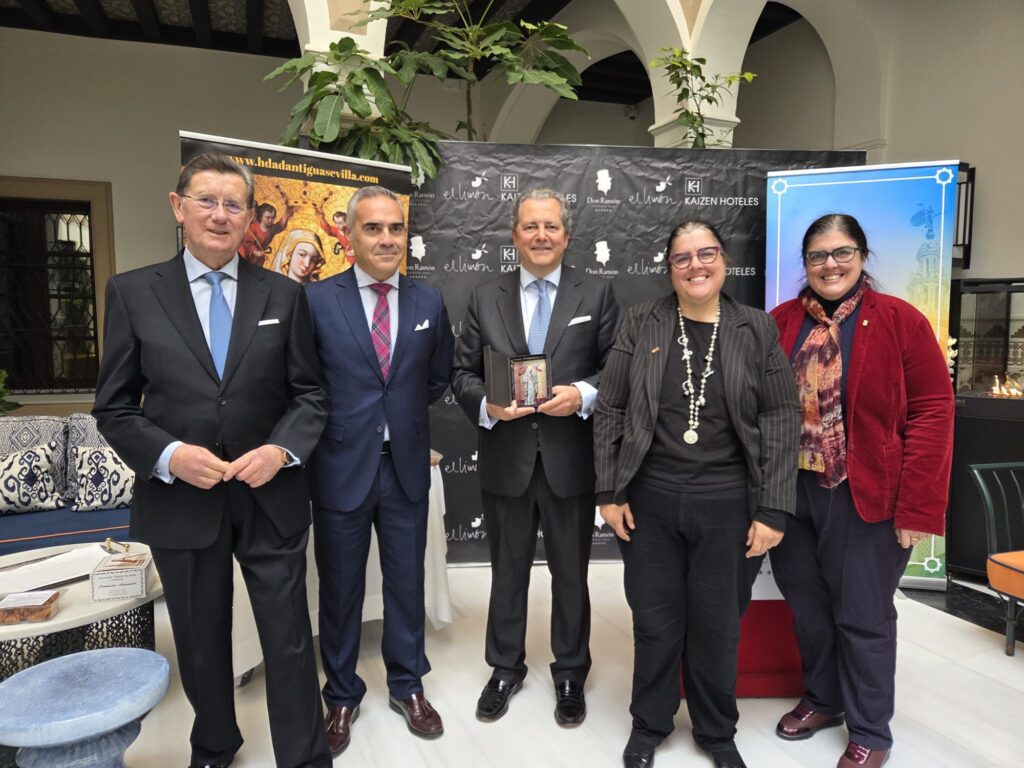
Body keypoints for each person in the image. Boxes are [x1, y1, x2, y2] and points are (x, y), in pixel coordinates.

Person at [92, 153, 330, 768]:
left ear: (249, 217)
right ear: (179, 207)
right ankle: (216, 745)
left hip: (269, 495)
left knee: (289, 638)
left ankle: (305, 756)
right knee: (199, 640)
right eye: (207, 201)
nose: (220, 215)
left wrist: (281, 450)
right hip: (182, 499)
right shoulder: (133, 293)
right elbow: (114, 408)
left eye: (233, 204)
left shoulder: (285, 294)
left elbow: (310, 395)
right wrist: (169, 455)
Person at [593, 219, 800, 768]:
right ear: (670, 268)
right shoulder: (642, 320)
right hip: (650, 503)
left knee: (717, 625)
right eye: (682, 258)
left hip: (728, 505)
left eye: (706, 254)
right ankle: (650, 724)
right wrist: (609, 491)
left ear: (724, 260)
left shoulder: (755, 328)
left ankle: (716, 731)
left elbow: (782, 414)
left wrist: (773, 508)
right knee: (655, 623)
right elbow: (610, 406)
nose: (695, 266)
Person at [769, 213, 954, 768]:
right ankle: (823, 699)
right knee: (808, 607)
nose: (830, 265)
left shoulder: (900, 320)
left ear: (862, 256)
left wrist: (918, 507)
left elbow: (933, 412)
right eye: (817, 256)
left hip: (867, 496)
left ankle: (871, 728)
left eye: (842, 252)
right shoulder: (780, 323)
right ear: (805, 263)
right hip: (792, 492)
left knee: (863, 615)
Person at [451, 188, 620, 727]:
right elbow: (461, 373)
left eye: (551, 226)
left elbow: (617, 367)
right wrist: (487, 405)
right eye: (530, 226)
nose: (540, 236)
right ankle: (505, 668)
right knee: (507, 573)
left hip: (572, 459)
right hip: (507, 457)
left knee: (571, 575)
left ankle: (570, 672)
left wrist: (583, 395)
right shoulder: (485, 296)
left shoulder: (597, 293)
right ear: (514, 235)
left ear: (567, 236)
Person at [304, 186, 454, 756]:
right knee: (340, 588)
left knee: (406, 584)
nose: (387, 238)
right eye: (373, 228)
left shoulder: (428, 301)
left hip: (406, 469)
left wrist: (400, 422)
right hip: (340, 467)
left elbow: (435, 378)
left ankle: (408, 685)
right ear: (349, 235)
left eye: (396, 228)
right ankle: (341, 694)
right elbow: (304, 382)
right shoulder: (316, 301)